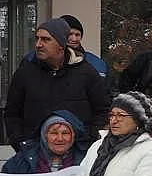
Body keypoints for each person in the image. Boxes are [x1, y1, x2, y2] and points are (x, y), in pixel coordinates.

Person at [5, 17, 109, 148]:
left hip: (78, 154)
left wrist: (89, 141)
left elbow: (102, 111)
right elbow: (12, 113)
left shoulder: (87, 73)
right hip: (34, 155)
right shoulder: (25, 73)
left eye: (46, 39)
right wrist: (21, 144)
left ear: (61, 44)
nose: (38, 44)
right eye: (37, 38)